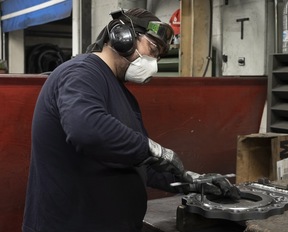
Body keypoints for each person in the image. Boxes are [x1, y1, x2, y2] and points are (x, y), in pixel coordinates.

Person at [22, 8, 240, 232]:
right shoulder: (81, 73)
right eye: (152, 49)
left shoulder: (120, 92)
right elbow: (86, 129)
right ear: (121, 36)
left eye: (158, 57)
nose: (153, 64)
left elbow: (138, 161)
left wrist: (191, 182)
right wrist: (154, 149)